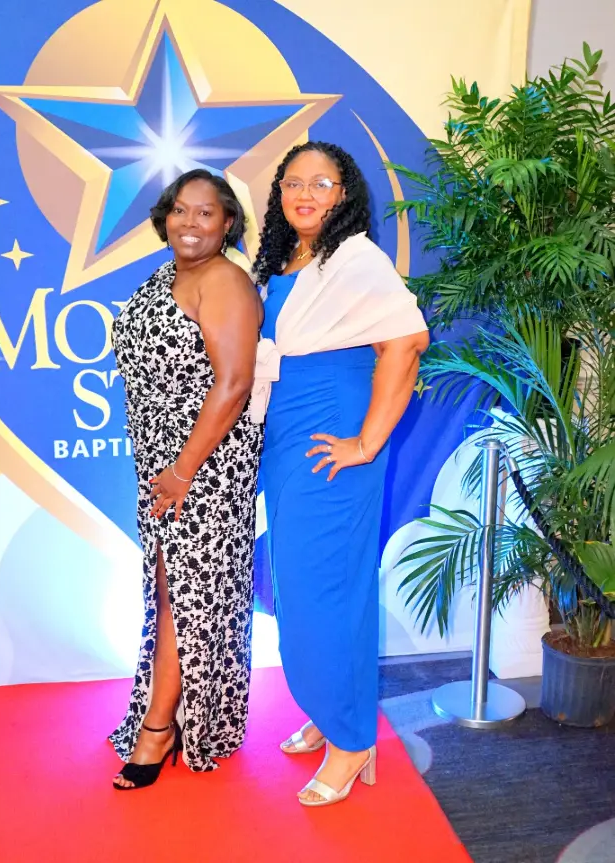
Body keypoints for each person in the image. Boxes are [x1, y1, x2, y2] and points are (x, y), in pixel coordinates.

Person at [251, 141, 429, 807]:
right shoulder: (289, 260)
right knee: (304, 587)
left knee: (325, 588)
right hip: (289, 434)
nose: (305, 193)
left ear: (344, 193)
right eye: (293, 182)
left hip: (332, 434)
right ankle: (332, 711)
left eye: (321, 183)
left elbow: (406, 343)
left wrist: (367, 442)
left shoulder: (355, 258)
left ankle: (352, 742)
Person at [110, 169, 263, 788]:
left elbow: (234, 383)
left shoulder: (224, 280)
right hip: (164, 463)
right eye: (179, 210)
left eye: (205, 213)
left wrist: (181, 470)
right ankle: (174, 714)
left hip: (204, 466)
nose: (189, 223)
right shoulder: (169, 275)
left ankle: (159, 729)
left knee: (184, 595)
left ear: (228, 223)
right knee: (171, 590)